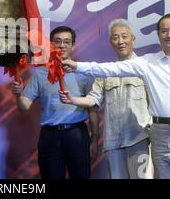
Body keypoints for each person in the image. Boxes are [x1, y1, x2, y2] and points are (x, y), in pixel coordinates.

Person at [62, 14, 170, 179]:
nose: (169, 35)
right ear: (158, 35)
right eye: (164, 31)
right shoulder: (147, 62)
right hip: (160, 131)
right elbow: (110, 69)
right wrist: (77, 66)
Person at [59, 19, 152, 179]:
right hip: (113, 141)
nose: (120, 41)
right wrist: (72, 99)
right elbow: (93, 99)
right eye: (115, 37)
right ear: (111, 42)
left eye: (124, 36)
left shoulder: (146, 68)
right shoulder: (106, 72)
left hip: (140, 138)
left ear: (133, 39)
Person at [11, 26, 99, 179]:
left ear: (73, 46)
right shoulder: (40, 73)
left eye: (67, 42)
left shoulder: (83, 72)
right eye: (58, 41)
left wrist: (95, 139)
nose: (62, 45)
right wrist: (18, 95)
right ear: (51, 45)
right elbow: (24, 106)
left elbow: (92, 108)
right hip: (50, 136)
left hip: (77, 134)